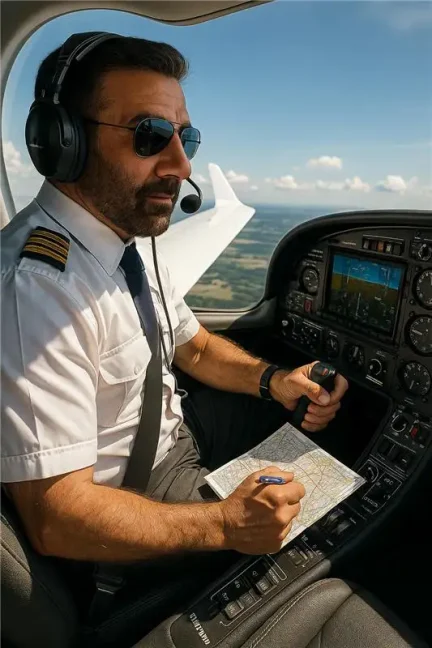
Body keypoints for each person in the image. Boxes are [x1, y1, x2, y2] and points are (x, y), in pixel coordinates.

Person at [1, 32, 348, 607]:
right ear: (62, 142)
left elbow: (193, 348)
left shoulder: (118, 243)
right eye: (151, 136)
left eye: (185, 137)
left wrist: (274, 381)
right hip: (131, 501)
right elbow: (57, 518)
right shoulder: (36, 291)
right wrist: (225, 524)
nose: (182, 164)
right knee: (334, 538)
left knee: (323, 428)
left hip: (172, 436)